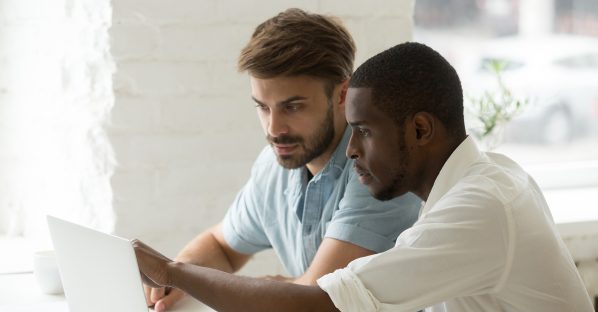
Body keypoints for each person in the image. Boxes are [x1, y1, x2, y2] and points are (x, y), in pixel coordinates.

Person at [134, 42, 594, 311]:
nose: (351, 149)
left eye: (365, 132)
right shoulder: (477, 183)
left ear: (419, 130)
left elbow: (319, 305)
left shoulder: (482, 207)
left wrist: (173, 271)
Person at [142, 9, 421, 311]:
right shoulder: (274, 166)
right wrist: (176, 278)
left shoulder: (378, 169)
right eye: (263, 107)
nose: (274, 129)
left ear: (343, 94)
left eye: (293, 107)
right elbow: (222, 247)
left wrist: (187, 276)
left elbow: (315, 300)